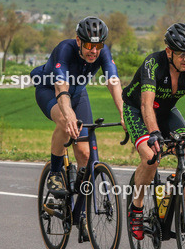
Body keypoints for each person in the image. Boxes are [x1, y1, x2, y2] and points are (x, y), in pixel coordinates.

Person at [122, 23, 185, 241]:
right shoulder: (153, 63)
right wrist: (154, 133)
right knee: (151, 157)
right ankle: (137, 208)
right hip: (138, 109)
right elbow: (146, 105)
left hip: (166, 110)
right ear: (169, 52)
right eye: (182, 54)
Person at [31, 16, 123, 230]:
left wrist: (123, 112)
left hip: (78, 93)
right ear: (78, 41)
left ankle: (80, 211)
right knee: (65, 121)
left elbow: (113, 82)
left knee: (85, 154)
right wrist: (69, 114)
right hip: (50, 91)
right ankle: (55, 172)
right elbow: (60, 88)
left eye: (98, 45)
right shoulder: (64, 49)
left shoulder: (102, 52)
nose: (94, 50)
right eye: (89, 45)